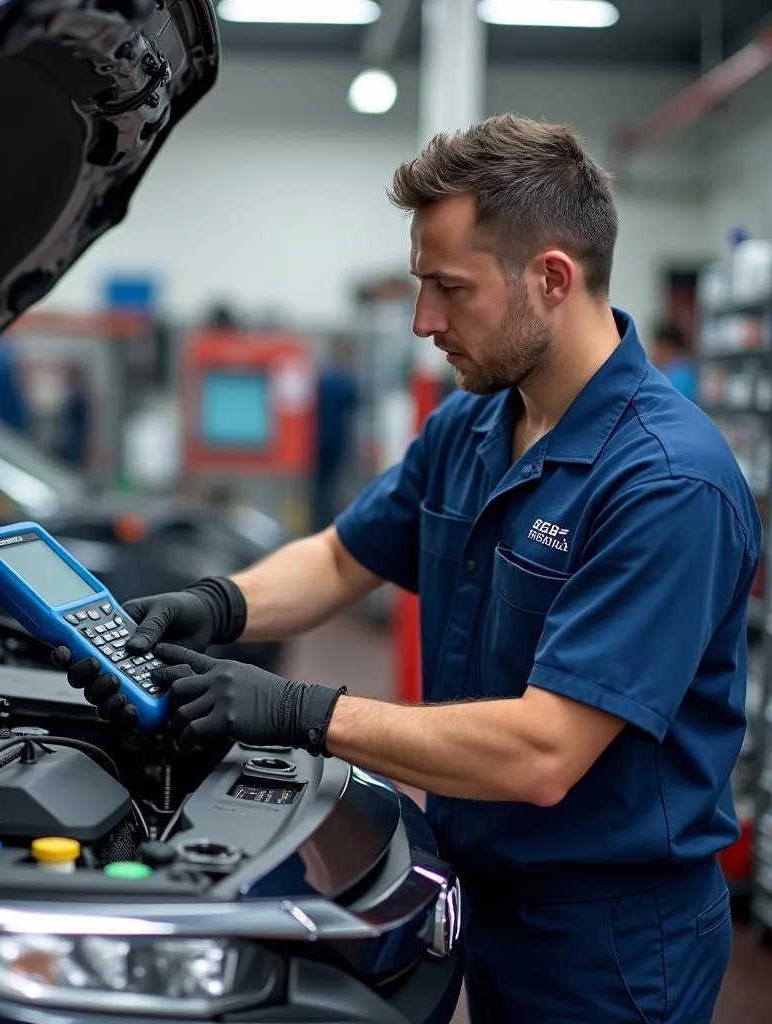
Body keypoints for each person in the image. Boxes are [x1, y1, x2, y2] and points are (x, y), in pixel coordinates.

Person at [55, 115, 759, 1022]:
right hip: (483, 885)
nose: (425, 322)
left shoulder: (666, 482)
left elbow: (547, 752)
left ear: (551, 279)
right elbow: (347, 555)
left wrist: (296, 711)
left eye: (448, 290)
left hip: (611, 938)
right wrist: (216, 604)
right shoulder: (476, 423)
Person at [313, 337, 360, 529]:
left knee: (318, 486)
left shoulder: (323, 379)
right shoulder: (346, 383)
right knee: (333, 485)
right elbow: (353, 406)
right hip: (337, 440)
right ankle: (327, 523)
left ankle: (316, 523)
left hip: (317, 440)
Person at [651, 321, 698, 402]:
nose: (656, 352)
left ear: (668, 347)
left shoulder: (682, 372)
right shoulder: (666, 367)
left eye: (659, 347)